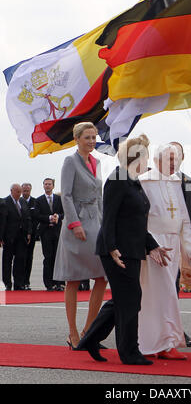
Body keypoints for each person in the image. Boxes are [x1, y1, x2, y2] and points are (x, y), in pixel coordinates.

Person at [77, 134, 171, 365]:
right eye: (145, 156)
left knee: (123, 299)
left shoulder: (132, 181)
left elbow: (136, 223)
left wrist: (154, 246)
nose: (148, 161)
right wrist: (111, 248)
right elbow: (108, 217)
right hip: (118, 252)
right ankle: (129, 352)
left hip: (131, 249)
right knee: (130, 299)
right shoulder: (118, 179)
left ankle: (90, 339)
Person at [137, 144, 191, 359]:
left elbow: (184, 219)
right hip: (154, 246)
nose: (174, 164)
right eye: (169, 159)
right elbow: (140, 217)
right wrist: (148, 246)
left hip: (173, 246)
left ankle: (167, 343)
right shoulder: (145, 181)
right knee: (154, 295)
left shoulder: (177, 182)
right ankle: (147, 344)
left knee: (169, 295)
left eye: (176, 159)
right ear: (157, 160)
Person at [53, 122, 108, 350]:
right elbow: (65, 195)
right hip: (76, 226)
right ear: (77, 139)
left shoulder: (97, 162)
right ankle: (73, 333)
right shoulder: (70, 162)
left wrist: (106, 225)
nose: (92, 141)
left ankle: (88, 331)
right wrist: (74, 223)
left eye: (94, 137)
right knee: (73, 280)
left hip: (96, 223)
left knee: (102, 277)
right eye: (87, 137)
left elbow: (100, 195)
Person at [170, 141, 191, 347]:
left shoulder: (189, 181)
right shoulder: (152, 180)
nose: (173, 160)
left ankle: (175, 328)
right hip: (162, 241)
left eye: (177, 155)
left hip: (183, 240)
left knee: (175, 286)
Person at [35, 178, 64, 291]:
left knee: (58, 258)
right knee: (48, 258)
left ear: (53, 186)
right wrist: (48, 218)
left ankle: (60, 283)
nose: (47, 186)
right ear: (43, 186)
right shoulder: (39, 200)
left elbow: (63, 212)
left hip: (57, 232)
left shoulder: (58, 199)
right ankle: (49, 283)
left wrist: (58, 217)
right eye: (45, 184)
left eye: (49, 184)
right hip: (45, 232)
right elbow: (37, 215)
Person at [1, 184, 32, 290]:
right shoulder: (4, 202)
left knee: (20, 260)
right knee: (7, 261)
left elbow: (28, 218)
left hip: (21, 237)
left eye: (20, 191)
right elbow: (2, 222)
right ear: (11, 191)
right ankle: (7, 283)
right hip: (9, 237)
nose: (19, 194)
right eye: (17, 191)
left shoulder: (23, 202)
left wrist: (29, 232)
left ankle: (18, 283)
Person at [21, 183, 37, 290]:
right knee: (21, 258)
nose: (26, 193)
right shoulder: (19, 201)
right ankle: (20, 281)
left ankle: (27, 281)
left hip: (32, 234)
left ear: (30, 190)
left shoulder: (35, 202)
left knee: (29, 258)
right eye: (24, 191)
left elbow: (36, 217)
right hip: (21, 235)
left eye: (27, 191)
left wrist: (31, 232)